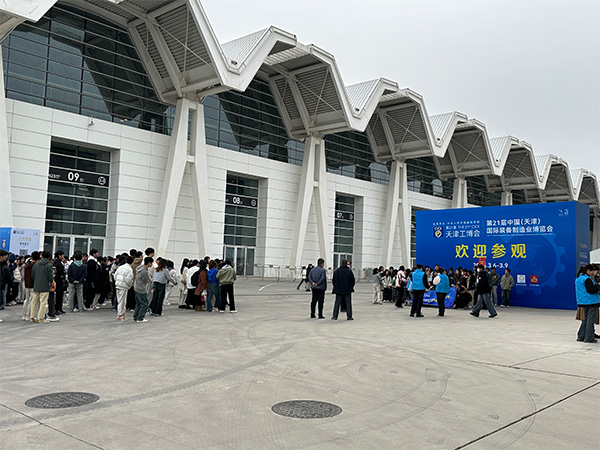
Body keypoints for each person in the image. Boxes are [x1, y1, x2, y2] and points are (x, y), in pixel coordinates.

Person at [575, 264, 600, 343]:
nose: (593, 273)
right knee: (590, 320)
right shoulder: (587, 279)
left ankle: (581, 336)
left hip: (583, 301)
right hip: (591, 301)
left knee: (585, 319)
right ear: (588, 271)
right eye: (592, 271)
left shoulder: (578, 278)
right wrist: (598, 286)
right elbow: (591, 290)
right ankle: (589, 337)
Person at [30, 251, 54, 323]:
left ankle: (32, 317)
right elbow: (50, 277)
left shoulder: (36, 264)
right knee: (43, 303)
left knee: (34, 302)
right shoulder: (49, 265)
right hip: (45, 286)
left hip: (36, 285)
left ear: (41, 256)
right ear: (49, 257)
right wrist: (51, 282)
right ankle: (41, 318)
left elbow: (33, 275)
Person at [114, 255, 134, 321]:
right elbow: (129, 279)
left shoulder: (120, 267)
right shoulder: (129, 269)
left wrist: (117, 281)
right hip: (124, 287)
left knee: (120, 301)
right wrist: (129, 285)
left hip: (118, 285)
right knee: (122, 301)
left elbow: (115, 275)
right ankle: (120, 315)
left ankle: (122, 314)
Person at [133, 257, 153, 323]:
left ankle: (136, 316)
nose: (152, 264)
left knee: (138, 303)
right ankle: (140, 317)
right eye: (151, 263)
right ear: (149, 263)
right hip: (141, 288)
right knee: (144, 303)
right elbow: (147, 280)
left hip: (136, 286)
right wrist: (151, 280)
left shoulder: (139, 268)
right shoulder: (144, 271)